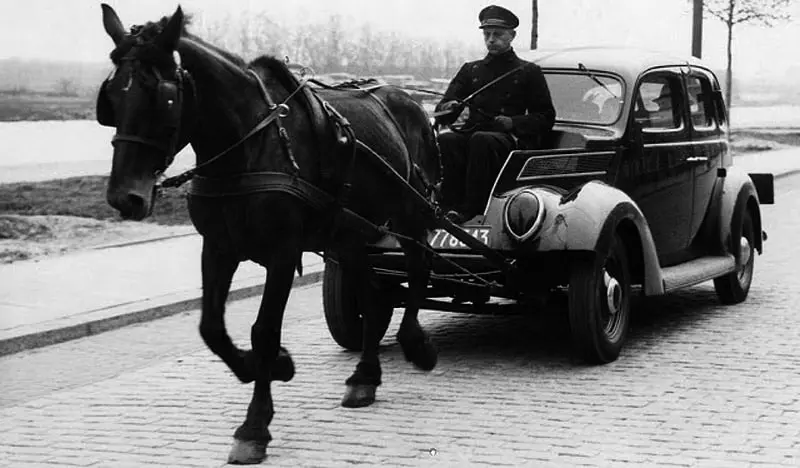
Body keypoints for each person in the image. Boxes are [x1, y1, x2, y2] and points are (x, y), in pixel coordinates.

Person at [435, 5, 556, 224]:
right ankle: (447, 207)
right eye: (487, 34)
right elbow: (443, 110)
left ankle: (473, 209)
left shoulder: (528, 72)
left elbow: (546, 116)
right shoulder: (470, 70)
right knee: (448, 139)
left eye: (498, 34)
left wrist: (512, 122)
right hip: (475, 135)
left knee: (482, 141)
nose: (491, 40)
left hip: (508, 140)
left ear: (512, 36)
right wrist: (450, 106)